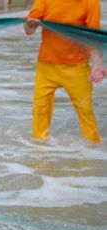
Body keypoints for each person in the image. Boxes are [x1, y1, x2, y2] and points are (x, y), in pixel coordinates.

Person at [24, 0, 105, 143]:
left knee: (86, 113)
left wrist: (98, 64)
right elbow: (29, 29)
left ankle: (92, 153)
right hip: (46, 66)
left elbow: (93, 36)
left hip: (77, 67)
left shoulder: (91, 3)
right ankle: (39, 152)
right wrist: (30, 24)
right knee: (40, 110)